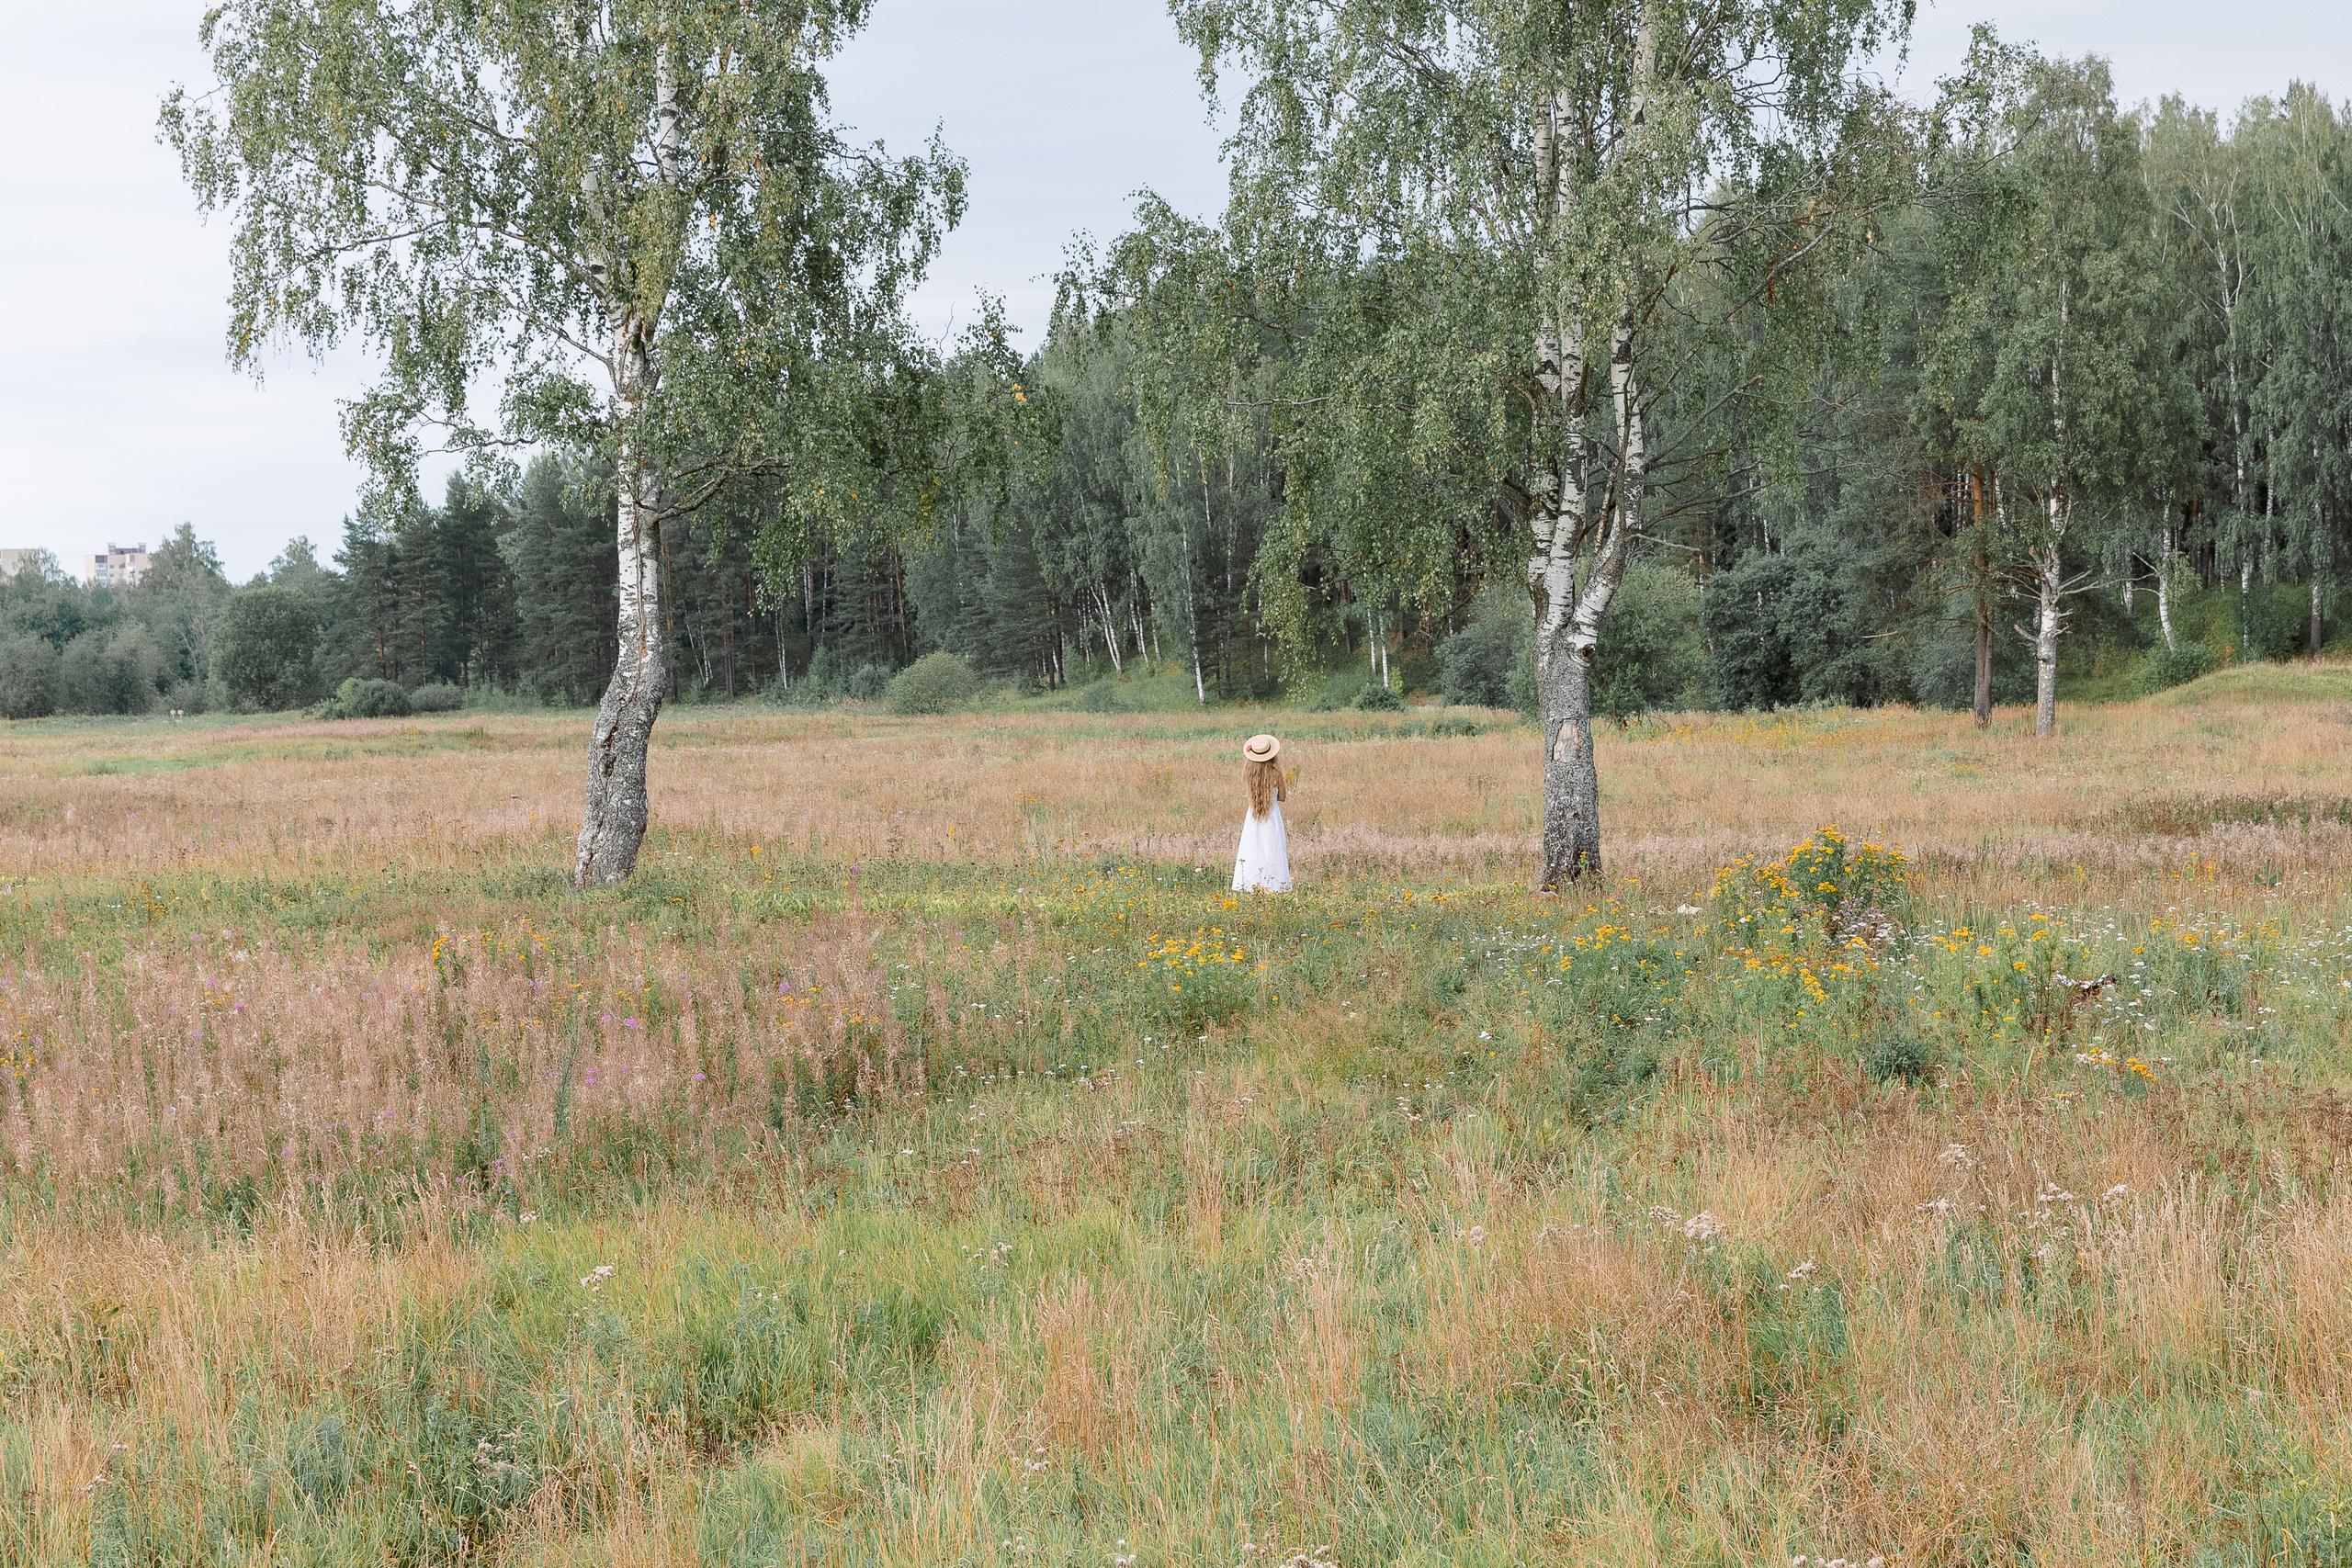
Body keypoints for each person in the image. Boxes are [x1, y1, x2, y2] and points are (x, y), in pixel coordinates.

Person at [1232, 732, 1292, 893]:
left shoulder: (1248, 774)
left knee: (1252, 850)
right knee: (1273, 849)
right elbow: (1282, 797)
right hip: (1272, 816)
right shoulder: (1276, 774)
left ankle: (1252, 884)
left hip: (1253, 816)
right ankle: (1274, 885)